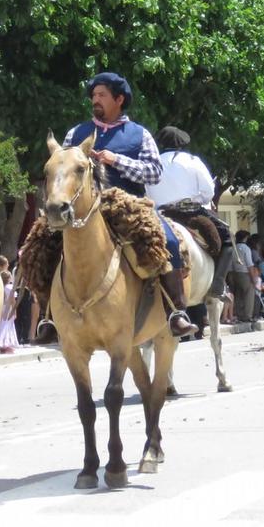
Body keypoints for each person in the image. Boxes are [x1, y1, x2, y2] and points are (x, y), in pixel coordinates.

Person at [63, 73, 197, 337]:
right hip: (83, 208)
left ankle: (176, 311)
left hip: (129, 206)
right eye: (94, 96)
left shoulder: (140, 135)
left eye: (102, 95)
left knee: (167, 240)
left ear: (119, 99)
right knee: (41, 242)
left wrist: (117, 161)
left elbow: (154, 173)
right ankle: (49, 317)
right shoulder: (75, 134)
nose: (95, 100)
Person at [145, 125, 235, 304]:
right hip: (190, 213)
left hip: (161, 216)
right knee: (227, 240)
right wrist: (196, 197)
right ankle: (217, 286)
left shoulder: (151, 164)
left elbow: (147, 193)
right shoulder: (192, 160)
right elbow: (208, 192)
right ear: (181, 144)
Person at [227, 231, 258, 323]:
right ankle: (247, 315)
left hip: (233, 273)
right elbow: (249, 264)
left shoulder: (233, 248)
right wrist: (253, 279)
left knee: (238, 295)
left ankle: (239, 314)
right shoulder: (246, 248)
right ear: (245, 238)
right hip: (244, 273)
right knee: (249, 294)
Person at [0, 255, 20, 354]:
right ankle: (6, 344)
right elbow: (13, 301)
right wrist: (14, 311)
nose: (8, 265)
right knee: (8, 326)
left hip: (1, 309)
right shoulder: (9, 288)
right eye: (6, 263)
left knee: (0, 326)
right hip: (8, 309)